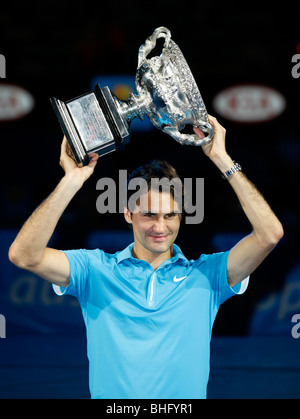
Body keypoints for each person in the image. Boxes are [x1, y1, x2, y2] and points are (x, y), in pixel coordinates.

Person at [8, 116, 283, 399]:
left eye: (170, 215)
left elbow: (269, 234)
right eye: (149, 214)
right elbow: (23, 255)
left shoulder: (208, 275)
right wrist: (71, 181)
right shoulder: (93, 270)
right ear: (128, 214)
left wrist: (222, 158)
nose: (160, 227)